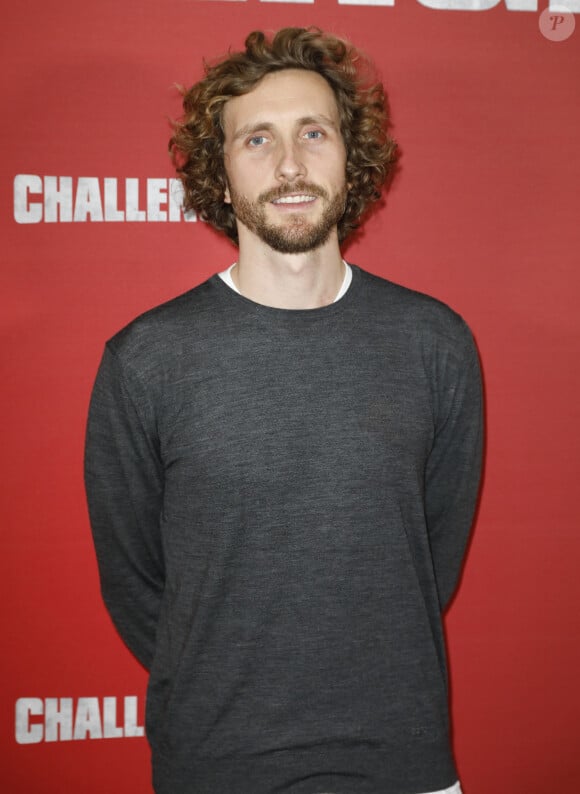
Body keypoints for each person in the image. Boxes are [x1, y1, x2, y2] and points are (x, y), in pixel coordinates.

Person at [84, 27, 483, 794]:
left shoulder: (435, 343)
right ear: (222, 176)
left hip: (400, 758)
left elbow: (436, 552)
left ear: (349, 158)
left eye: (314, 133)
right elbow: (133, 577)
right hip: (215, 762)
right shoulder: (147, 359)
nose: (291, 165)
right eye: (257, 139)